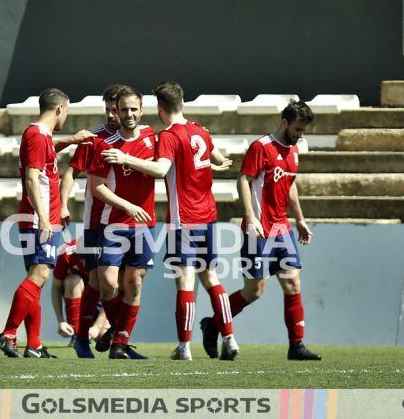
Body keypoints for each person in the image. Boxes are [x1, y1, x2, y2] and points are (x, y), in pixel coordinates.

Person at [101, 81, 239, 361]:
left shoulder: (168, 136)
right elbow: (217, 158)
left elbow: (160, 168)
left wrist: (125, 156)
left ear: (159, 108)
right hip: (209, 217)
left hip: (183, 218)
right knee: (212, 277)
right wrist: (218, 163)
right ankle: (230, 338)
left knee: (185, 282)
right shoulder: (200, 130)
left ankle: (184, 347)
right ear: (183, 104)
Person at [200, 100, 321, 361]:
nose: (300, 135)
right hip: (259, 231)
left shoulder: (294, 150)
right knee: (254, 291)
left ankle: (296, 345)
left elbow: (290, 185)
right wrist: (250, 216)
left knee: (293, 283)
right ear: (285, 122)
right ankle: (212, 325)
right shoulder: (261, 147)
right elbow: (243, 179)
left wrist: (299, 219)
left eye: (304, 131)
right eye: (297, 129)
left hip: (282, 229)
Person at [0, 87, 92, 359]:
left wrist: (71, 140)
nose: (66, 116)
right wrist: (45, 219)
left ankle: (34, 345)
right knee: (41, 275)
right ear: (60, 108)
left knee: (36, 279)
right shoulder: (37, 136)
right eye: (67, 111)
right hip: (40, 218)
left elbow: (47, 152)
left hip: (38, 216)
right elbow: (31, 178)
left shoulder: (41, 136)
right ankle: (8, 333)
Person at [59, 84, 127, 358]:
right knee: (99, 283)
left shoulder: (138, 138)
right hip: (97, 222)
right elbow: (70, 175)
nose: (111, 115)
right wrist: (63, 204)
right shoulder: (93, 138)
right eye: (108, 109)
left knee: (128, 282)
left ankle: (114, 334)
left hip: (129, 222)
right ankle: (85, 336)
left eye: (116, 110)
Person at [88, 86, 155, 359]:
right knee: (108, 284)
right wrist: (128, 206)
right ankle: (118, 330)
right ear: (116, 110)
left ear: (141, 111)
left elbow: (165, 168)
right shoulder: (104, 144)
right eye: (123, 109)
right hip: (113, 223)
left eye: (133, 109)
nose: (128, 114)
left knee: (135, 283)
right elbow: (97, 188)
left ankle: (120, 343)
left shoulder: (154, 138)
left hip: (144, 225)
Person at [50, 238, 110, 345]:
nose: (84, 263)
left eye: (88, 259)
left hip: (101, 295)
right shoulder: (65, 253)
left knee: (103, 338)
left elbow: (111, 292)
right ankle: (76, 334)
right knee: (72, 282)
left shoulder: (106, 256)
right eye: (81, 258)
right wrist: (60, 321)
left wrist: (97, 326)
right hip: (81, 292)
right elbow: (56, 288)